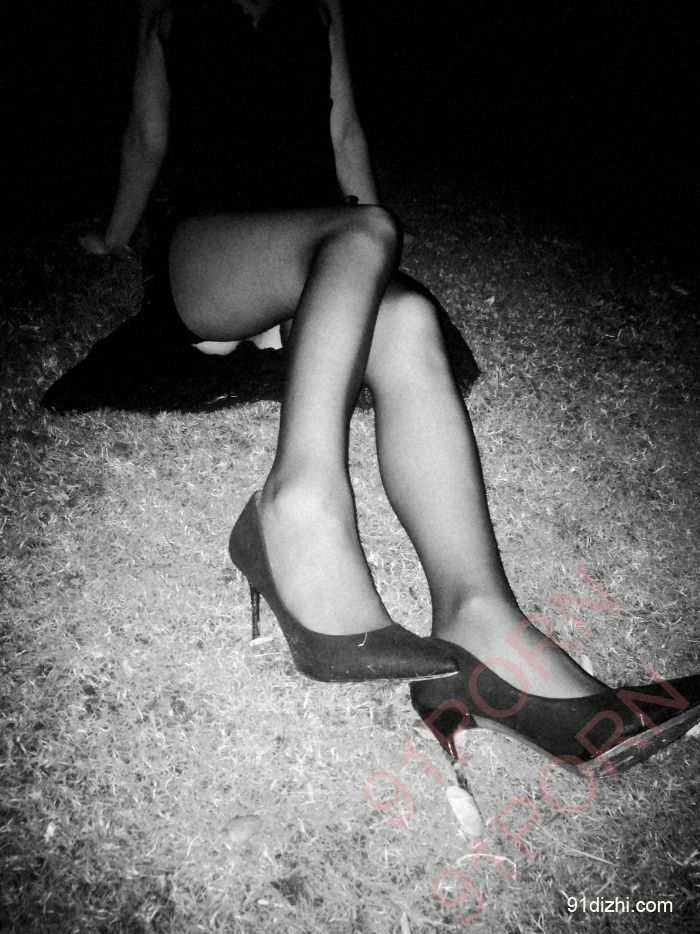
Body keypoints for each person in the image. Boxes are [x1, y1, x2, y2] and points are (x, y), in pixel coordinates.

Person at [80, 0, 699, 775]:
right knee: (367, 230)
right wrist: (114, 237)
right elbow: (147, 135)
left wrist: (366, 276)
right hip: (213, 247)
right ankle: (294, 505)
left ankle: (481, 622)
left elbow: (344, 133)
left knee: (405, 316)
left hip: (320, 238)